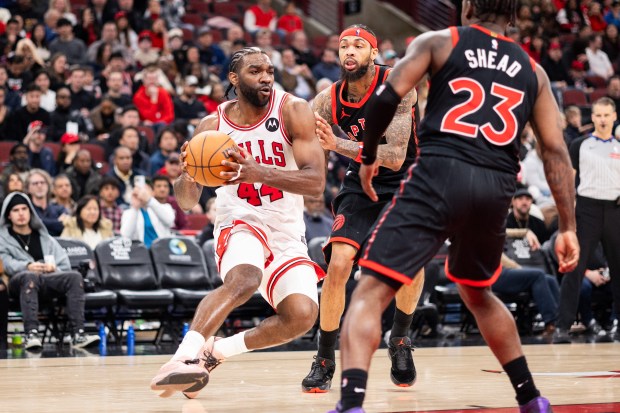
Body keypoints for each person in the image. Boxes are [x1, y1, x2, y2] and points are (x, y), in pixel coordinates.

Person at [336, 1, 580, 412]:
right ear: (514, 17)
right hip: (496, 186)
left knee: (370, 290)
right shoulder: (532, 70)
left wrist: (366, 157)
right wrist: (569, 225)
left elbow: (384, 97)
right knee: (478, 292)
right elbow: (556, 152)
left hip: (440, 174)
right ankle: (531, 398)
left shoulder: (441, 41)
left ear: (467, 8)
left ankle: (351, 402)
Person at [150, 46, 325, 398]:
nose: (265, 78)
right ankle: (184, 358)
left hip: (287, 231)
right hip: (239, 221)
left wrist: (257, 171)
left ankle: (217, 352)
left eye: (269, 71)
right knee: (245, 279)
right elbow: (187, 201)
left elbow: (316, 182)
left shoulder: (293, 110)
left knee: (302, 316)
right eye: (255, 71)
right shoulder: (211, 126)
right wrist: (187, 172)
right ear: (234, 79)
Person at [301, 24, 424, 394]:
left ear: (373, 53)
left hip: (404, 180)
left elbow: (393, 155)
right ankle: (324, 357)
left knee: (410, 268)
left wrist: (337, 144)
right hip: (360, 180)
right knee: (338, 264)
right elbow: (294, 128)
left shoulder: (400, 85)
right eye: (343, 46)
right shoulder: (329, 97)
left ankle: (399, 340)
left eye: (358, 45)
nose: (349, 51)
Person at [555, 97, 620, 343]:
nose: (602, 119)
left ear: (614, 117)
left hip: (615, 210)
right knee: (574, 268)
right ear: (591, 117)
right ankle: (562, 326)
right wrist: (568, 216)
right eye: (598, 115)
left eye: (607, 115)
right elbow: (569, 182)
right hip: (587, 210)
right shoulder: (580, 145)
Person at [0, 192, 100, 349]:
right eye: (15, 210)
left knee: (74, 276)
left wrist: (54, 268)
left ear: (30, 211)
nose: (21, 214)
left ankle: (78, 334)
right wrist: (27, 265)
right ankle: (31, 334)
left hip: (48, 279)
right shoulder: (3, 239)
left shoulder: (44, 237)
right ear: (8, 215)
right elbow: (5, 263)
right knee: (30, 276)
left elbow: (63, 263)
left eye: (24, 209)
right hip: (18, 281)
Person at [120, 179, 175, 248]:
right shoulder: (128, 212)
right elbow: (126, 236)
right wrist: (135, 208)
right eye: (139, 190)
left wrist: (149, 200)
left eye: (146, 190)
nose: (142, 193)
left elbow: (169, 221)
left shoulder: (165, 207)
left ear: (153, 192)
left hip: (162, 250)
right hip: (140, 253)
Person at [26, 169, 68, 237]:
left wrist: (41, 222)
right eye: (35, 183)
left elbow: (65, 225)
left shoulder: (60, 209)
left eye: (42, 182)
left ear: (48, 186)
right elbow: (34, 225)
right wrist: (57, 222)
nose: (39, 186)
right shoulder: (27, 210)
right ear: (28, 188)